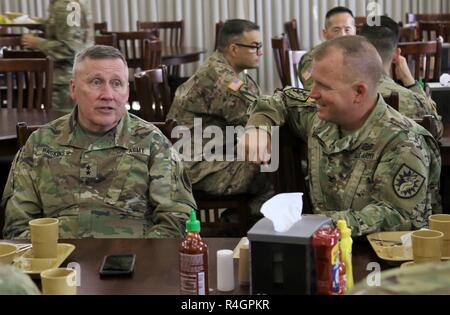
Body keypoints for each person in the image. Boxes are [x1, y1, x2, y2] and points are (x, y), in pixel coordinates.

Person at [239, 36, 441, 237]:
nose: (313, 94)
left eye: (324, 86)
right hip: (326, 249)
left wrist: (320, 225)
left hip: (378, 259)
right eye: (313, 83)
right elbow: (282, 99)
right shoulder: (321, 116)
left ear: (358, 93)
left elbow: (399, 216)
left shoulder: (403, 142)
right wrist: (259, 124)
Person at [1, 45, 196, 239]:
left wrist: (138, 258)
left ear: (127, 92)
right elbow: (17, 226)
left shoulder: (152, 142)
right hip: (57, 263)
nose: (108, 95)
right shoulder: (40, 144)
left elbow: (177, 220)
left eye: (117, 83)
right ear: (73, 89)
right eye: (96, 82)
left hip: (133, 262)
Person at [167, 19, 274, 218]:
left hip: (215, 155)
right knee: (275, 172)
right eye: (255, 47)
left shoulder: (227, 71)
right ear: (234, 49)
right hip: (198, 168)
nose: (260, 52)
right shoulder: (222, 80)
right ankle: (244, 229)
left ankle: (236, 222)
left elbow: (259, 105)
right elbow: (257, 116)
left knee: (271, 160)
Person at [360, 15, 443, 140]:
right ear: (396, 54)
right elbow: (435, 130)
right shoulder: (411, 100)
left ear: (360, 51)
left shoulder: (340, 94)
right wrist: (411, 84)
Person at [22, 0, 93, 112]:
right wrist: (41, 24)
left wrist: (37, 42)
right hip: (79, 75)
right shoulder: (71, 4)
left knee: (65, 125)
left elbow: (70, 50)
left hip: (66, 81)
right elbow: (70, 32)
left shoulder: (64, 6)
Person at [299, 6, 356, 90]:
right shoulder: (313, 59)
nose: (343, 35)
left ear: (354, 31)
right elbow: (313, 91)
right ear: (325, 33)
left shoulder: (361, 54)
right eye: (336, 30)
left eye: (347, 30)